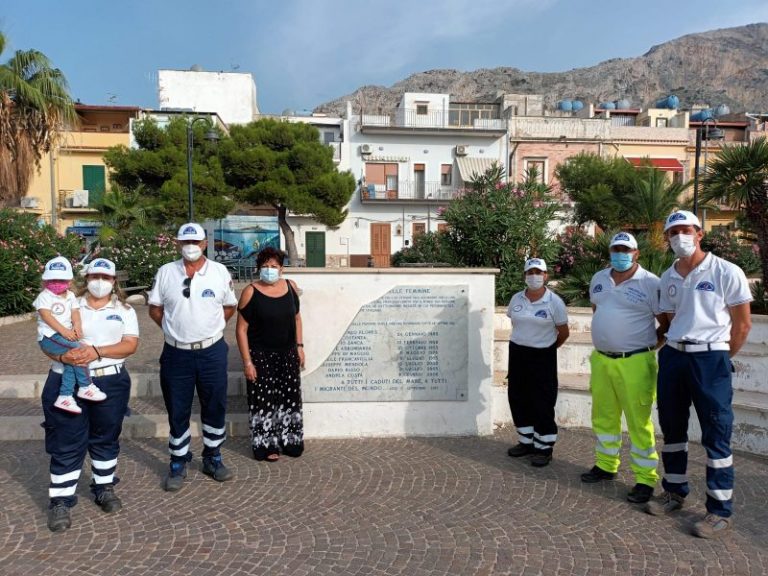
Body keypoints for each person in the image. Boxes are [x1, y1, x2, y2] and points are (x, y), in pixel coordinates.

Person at [644, 210, 752, 539]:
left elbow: (742, 323)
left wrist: (719, 356)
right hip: (674, 356)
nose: (680, 236)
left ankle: (719, 511)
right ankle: (675, 491)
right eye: (673, 232)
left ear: (699, 232)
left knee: (716, 432)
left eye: (685, 230)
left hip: (711, 358)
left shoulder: (726, 271)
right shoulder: (668, 276)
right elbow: (673, 319)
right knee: (672, 428)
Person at [42, 257, 140, 532]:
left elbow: (130, 345)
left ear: (114, 281)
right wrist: (62, 355)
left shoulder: (125, 309)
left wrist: (97, 352)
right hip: (67, 380)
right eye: (94, 276)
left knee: (106, 437)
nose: (100, 282)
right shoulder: (66, 305)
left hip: (110, 381)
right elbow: (46, 341)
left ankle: (104, 487)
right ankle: (60, 501)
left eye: (106, 277)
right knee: (66, 440)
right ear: (86, 279)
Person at [148, 223, 238, 491]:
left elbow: (230, 306)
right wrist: (173, 329)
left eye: (195, 242)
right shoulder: (166, 272)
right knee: (177, 408)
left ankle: (213, 457)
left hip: (212, 351)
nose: (190, 247)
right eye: (185, 242)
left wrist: (211, 328)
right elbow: (155, 309)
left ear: (205, 243)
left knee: (215, 405)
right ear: (177, 244)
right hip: (176, 353)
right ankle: (178, 460)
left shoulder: (219, 272)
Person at [580, 232, 669, 504]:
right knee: (604, 416)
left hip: (636, 362)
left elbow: (665, 322)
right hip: (602, 360)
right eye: (616, 249)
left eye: (626, 249)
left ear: (636, 253)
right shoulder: (599, 279)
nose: (620, 254)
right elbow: (599, 312)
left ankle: (645, 479)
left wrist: (645, 347)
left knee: (638, 423)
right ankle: (606, 464)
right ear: (610, 252)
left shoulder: (650, 283)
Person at [236, 247, 305, 461]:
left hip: (287, 353)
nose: (269, 270)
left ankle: (291, 440)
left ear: (282, 269)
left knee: (290, 397)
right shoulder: (250, 291)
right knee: (264, 401)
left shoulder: (290, 287)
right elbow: (241, 329)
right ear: (258, 269)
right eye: (265, 266)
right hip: (260, 355)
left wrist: (300, 346)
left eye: (273, 266)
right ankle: (266, 445)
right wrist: (248, 362)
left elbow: (297, 319)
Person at [506, 258, 570, 467]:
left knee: (542, 401)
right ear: (525, 275)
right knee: (518, 397)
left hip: (542, 355)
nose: (534, 276)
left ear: (546, 275)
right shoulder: (516, 299)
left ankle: (544, 447)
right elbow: (516, 324)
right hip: (517, 353)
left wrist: (547, 346)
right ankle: (526, 441)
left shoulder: (554, 302)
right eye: (530, 272)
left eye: (538, 272)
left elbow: (563, 333)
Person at [34, 256, 107, 413]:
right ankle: (85, 385)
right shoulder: (44, 297)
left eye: (61, 280)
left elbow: (75, 312)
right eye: (52, 280)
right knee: (80, 349)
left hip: (61, 336)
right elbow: (47, 316)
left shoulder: (70, 296)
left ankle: (65, 396)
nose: (56, 283)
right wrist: (65, 332)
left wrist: (77, 326)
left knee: (72, 360)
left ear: (69, 281)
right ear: (45, 280)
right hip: (50, 337)